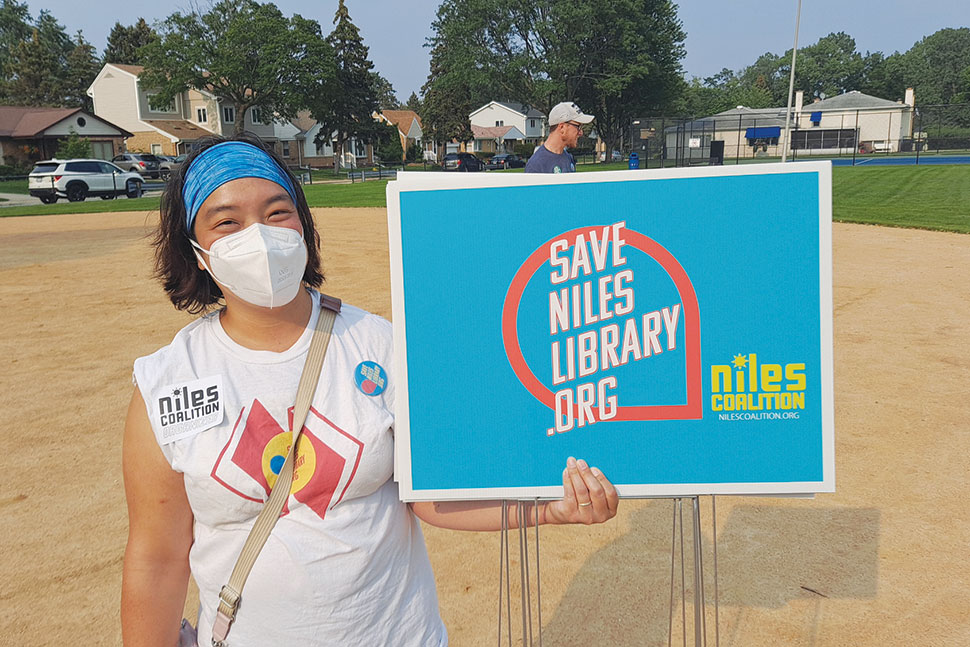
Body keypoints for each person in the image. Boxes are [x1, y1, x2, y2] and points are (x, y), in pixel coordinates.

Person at [121, 133, 619, 646]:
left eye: (277, 212)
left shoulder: (382, 344)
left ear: (303, 225)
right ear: (197, 251)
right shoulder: (167, 382)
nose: (261, 235)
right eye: (227, 221)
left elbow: (430, 498)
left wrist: (552, 509)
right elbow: (156, 559)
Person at [524, 102, 595, 174]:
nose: (580, 133)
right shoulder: (536, 165)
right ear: (562, 127)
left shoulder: (568, 158)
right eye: (578, 127)